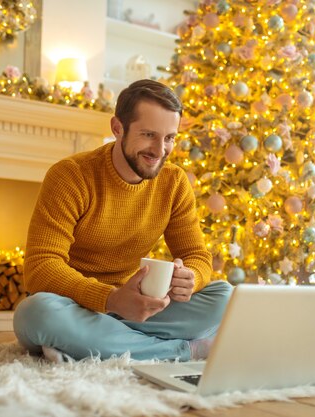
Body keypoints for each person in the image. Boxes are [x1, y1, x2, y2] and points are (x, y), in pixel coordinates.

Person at [13, 79, 233, 362]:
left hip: (138, 306)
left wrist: (190, 277)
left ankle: (88, 343)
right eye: (148, 135)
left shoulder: (174, 182)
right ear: (117, 128)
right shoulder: (71, 176)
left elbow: (196, 255)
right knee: (35, 314)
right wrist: (111, 299)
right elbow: (40, 267)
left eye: (169, 138)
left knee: (224, 296)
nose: (160, 150)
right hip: (74, 304)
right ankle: (184, 350)